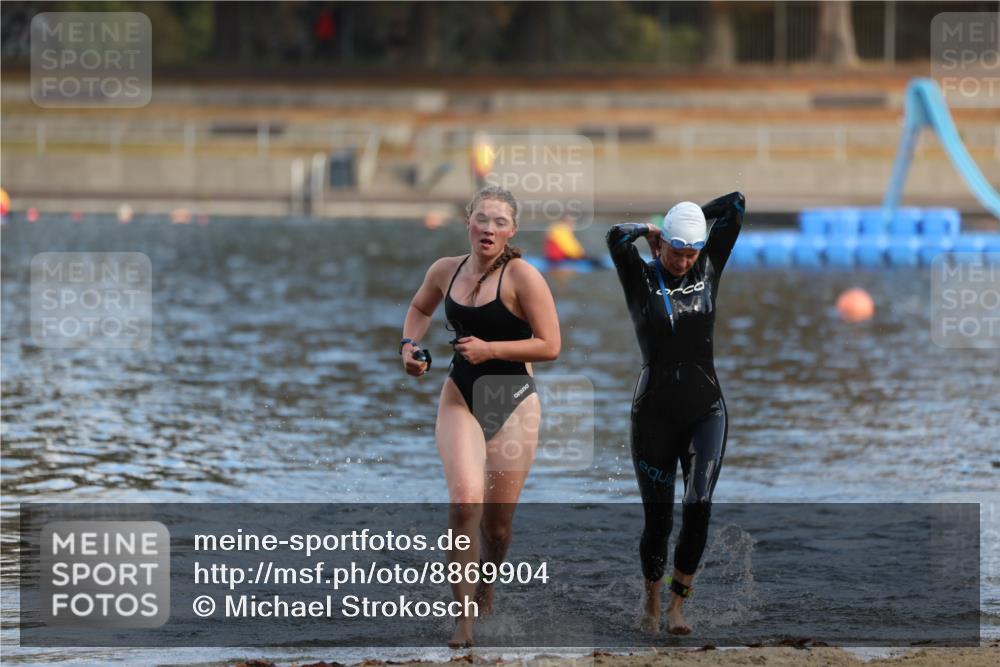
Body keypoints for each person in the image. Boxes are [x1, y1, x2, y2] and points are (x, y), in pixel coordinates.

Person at [401, 185, 561, 647]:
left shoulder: (523, 277)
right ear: (468, 222)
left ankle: (487, 588)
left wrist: (490, 349)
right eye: (482, 219)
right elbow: (419, 308)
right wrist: (409, 347)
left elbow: (550, 345)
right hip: (461, 394)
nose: (489, 228)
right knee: (463, 504)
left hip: (513, 400)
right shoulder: (445, 270)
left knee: (498, 526)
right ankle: (464, 620)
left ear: (512, 231)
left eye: (500, 222)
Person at [605, 191, 746, 636]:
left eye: (691, 253)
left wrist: (692, 220)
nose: (684, 262)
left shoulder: (709, 267)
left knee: (699, 504)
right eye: (676, 251)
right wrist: (653, 228)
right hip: (654, 414)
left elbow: (736, 204)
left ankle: (677, 605)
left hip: (707, 409)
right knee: (659, 519)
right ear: (662, 244)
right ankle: (651, 597)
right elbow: (615, 237)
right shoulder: (640, 277)